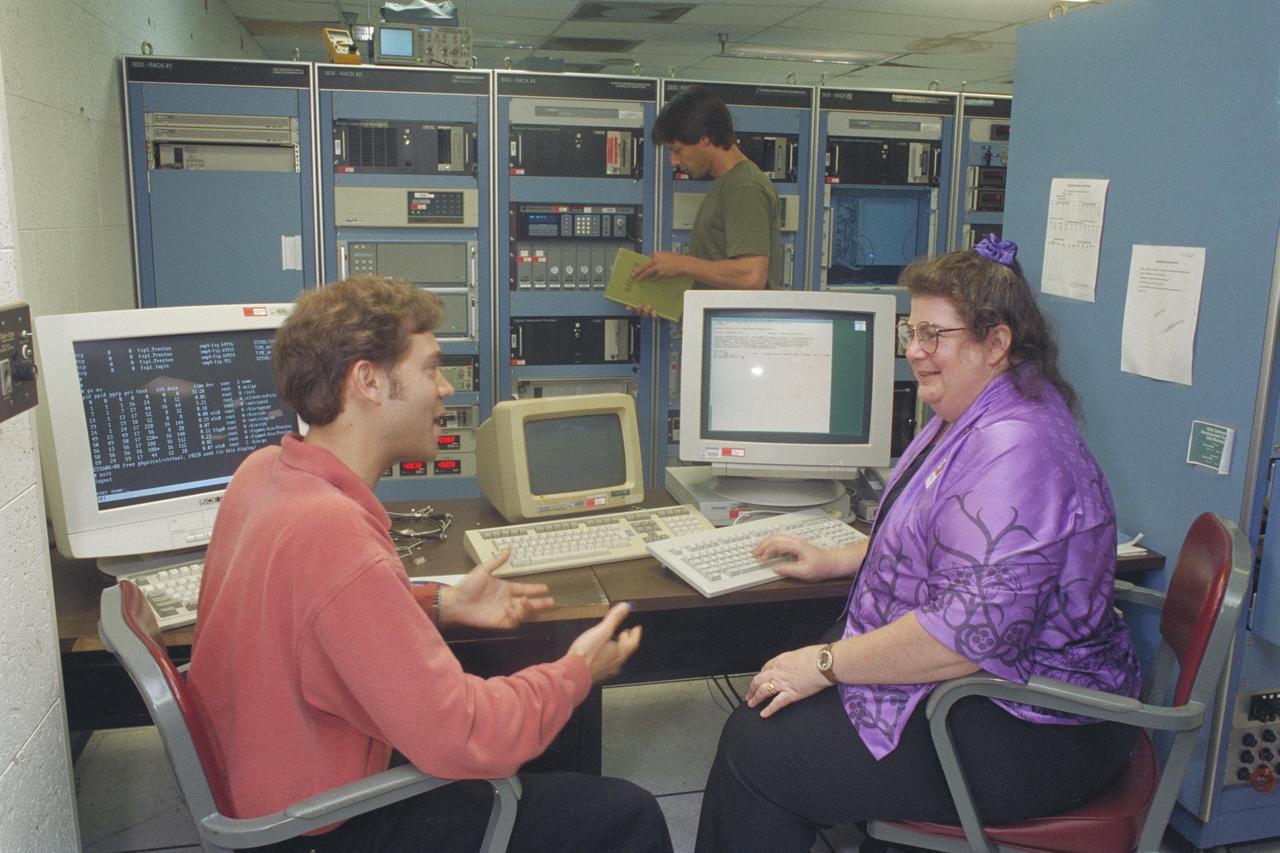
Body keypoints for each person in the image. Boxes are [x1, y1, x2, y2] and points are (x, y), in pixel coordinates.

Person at [187, 277, 673, 853]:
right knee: (627, 814)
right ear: (367, 380)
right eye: (430, 368)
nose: (445, 389)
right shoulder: (333, 533)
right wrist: (576, 673)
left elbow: (309, 614)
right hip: (322, 825)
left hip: (270, 783)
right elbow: (465, 735)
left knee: (535, 737)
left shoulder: (263, 473)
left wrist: (438, 602)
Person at [693, 236, 1142, 852]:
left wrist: (824, 665)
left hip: (1040, 726)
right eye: (912, 330)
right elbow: (944, 541)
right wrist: (839, 559)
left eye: (934, 334)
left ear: (996, 343)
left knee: (758, 751)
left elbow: (967, 634)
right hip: (997, 690)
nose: (914, 352)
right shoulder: (975, 412)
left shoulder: (1017, 446)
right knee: (782, 700)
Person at [631, 86, 782, 317]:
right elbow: (716, 283)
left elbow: (751, 276)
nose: (673, 160)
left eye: (677, 150)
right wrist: (662, 300)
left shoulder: (744, 187)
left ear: (705, 138)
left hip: (735, 344)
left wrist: (681, 264)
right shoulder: (726, 184)